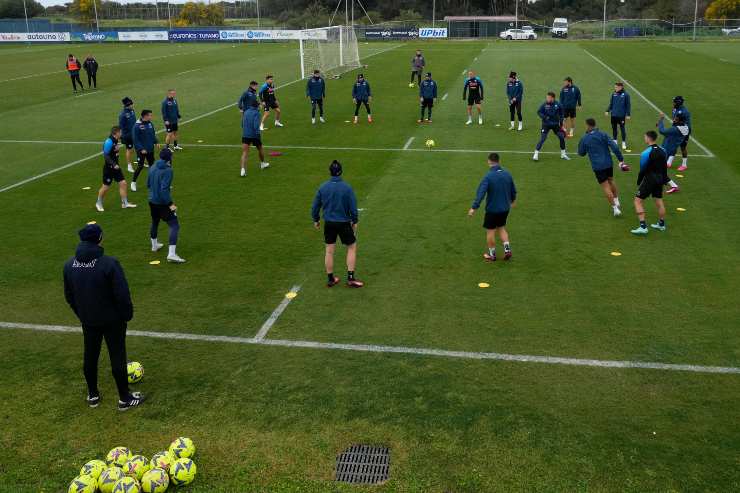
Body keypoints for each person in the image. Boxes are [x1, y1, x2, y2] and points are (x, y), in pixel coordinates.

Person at [63, 223, 145, 411]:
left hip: (88, 319)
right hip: (112, 320)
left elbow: (69, 295)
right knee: (117, 356)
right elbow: (122, 294)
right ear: (99, 239)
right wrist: (127, 314)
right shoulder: (109, 263)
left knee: (90, 356)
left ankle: (93, 395)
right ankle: (124, 399)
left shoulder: (69, 265)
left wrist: (82, 313)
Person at [311, 160, 364, 288]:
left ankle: (331, 279)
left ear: (330, 172)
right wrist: (355, 221)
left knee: (329, 251)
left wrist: (316, 219)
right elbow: (353, 206)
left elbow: (315, 206)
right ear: (341, 172)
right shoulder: (347, 187)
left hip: (329, 223)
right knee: (351, 247)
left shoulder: (323, 187)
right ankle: (351, 278)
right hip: (344, 223)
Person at [467, 153, 517, 261]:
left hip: (492, 210)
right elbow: (513, 189)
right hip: (505, 209)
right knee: (501, 228)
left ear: (489, 161)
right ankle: (507, 250)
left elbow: (481, 194)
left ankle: (492, 255)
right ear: (499, 161)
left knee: (490, 231)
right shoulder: (507, 174)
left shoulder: (488, 176)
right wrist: (512, 200)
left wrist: (473, 208)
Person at [577, 118, 630, 217]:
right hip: (608, 163)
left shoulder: (585, 138)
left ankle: (615, 209)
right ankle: (616, 200)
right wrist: (621, 160)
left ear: (588, 126)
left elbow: (581, 153)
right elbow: (614, 147)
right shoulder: (603, 134)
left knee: (605, 186)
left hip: (598, 166)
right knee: (611, 180)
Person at [147, 148, 186, 263]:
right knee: (174, 225)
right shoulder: (168, 170)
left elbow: (148, 184)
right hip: (162, 203)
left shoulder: (153, 166)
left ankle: (154, 246)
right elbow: (164, 190)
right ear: (169, 158)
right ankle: (171, 254)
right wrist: (171, 204)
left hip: (152, 200)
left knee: (155, 221)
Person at [631, 130, 668, 235]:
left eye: (645, 137)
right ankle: (661, 224)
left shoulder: (645, 153)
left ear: (648, 138)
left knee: (637, 201)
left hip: (650, 179)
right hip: (660, 179)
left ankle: (643, 227)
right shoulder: (663, 150)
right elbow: (664, 167)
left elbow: (642, 169)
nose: (644, 139)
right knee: (659, 201)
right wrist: (664, 180)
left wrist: (639, 181)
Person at [96, 126, 136, 212]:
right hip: (109, 168)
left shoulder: (116, 140)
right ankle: (98, 203)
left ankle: (125, 203)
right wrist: (113, 164)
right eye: (120, 132)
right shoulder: (109, 142)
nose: (121, 134)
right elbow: (106, 155)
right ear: (116, 133)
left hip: (116, 167)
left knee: (123, 183)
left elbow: (125, 139)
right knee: (105, 187)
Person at [533, 92, 569, 161]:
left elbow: (562, 114)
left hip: (555, 125)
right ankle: (536, 154)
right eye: (547, 97)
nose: (547, 99)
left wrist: (561, 125)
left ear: (553, 98)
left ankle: (563, 154)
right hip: (546, 125)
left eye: (548, 98)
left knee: (561, 137)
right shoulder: (544, 104)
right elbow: (539, 112)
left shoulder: (558, 105)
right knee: (543, 138)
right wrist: (544, 117)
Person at [240, 98, 269, 176]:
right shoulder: (257, 113)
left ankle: (242, 170)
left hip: (245, 134)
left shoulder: (246, 112)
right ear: (257, 105)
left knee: (245, 152)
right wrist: (258, 133)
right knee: (260, 148)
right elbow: (256, 126)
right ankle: (262, 164)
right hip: (254, 135)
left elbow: (242, 124)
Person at [131, 109, 158, 192]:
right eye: (150, 115)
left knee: (152, 166)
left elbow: (152, 133)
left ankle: (152, 182)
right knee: (140, 166)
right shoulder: (137, 126)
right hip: (141, 150)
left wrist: (156, 142)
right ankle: (133, 182)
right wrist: (141, 149)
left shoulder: (150, 123)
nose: (151, 117)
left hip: (150, 149)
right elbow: (135, 139)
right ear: (145, 116)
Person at [605, 81, 631, 150]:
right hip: (613, 115)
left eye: (616, 87)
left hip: (621, 115)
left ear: (621, 87)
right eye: (615, 87)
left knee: (622, 129)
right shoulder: (614, 94)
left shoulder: (626, 95)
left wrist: (628, 114)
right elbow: (611, 104)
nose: (615, 88)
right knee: (614, 128)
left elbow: (628, 105)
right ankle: (615, 141)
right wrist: (607, 110)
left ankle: (623, 142)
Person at [671, 96, 692, 171]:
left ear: (678, 103)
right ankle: (669, 162)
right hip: (677, 129)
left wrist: (676, 122)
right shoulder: (675, 109)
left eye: (674, 102)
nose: (673, 103)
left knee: (683, 147)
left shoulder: (684, 111)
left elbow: (683, 123)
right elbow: (674, 120)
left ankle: (684, 165)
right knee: (673, 145)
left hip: (684, 131)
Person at [118, 97, 136, 173]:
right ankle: (129, 165)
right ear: (127, 105)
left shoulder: (132, 111)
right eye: (131, 104)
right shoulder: (123, 115)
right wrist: (121, 136)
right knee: (129, 149)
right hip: (127, 135)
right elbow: (121, 127)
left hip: (134, 133)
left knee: (136, 148)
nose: (132, 105)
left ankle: (140, 161)